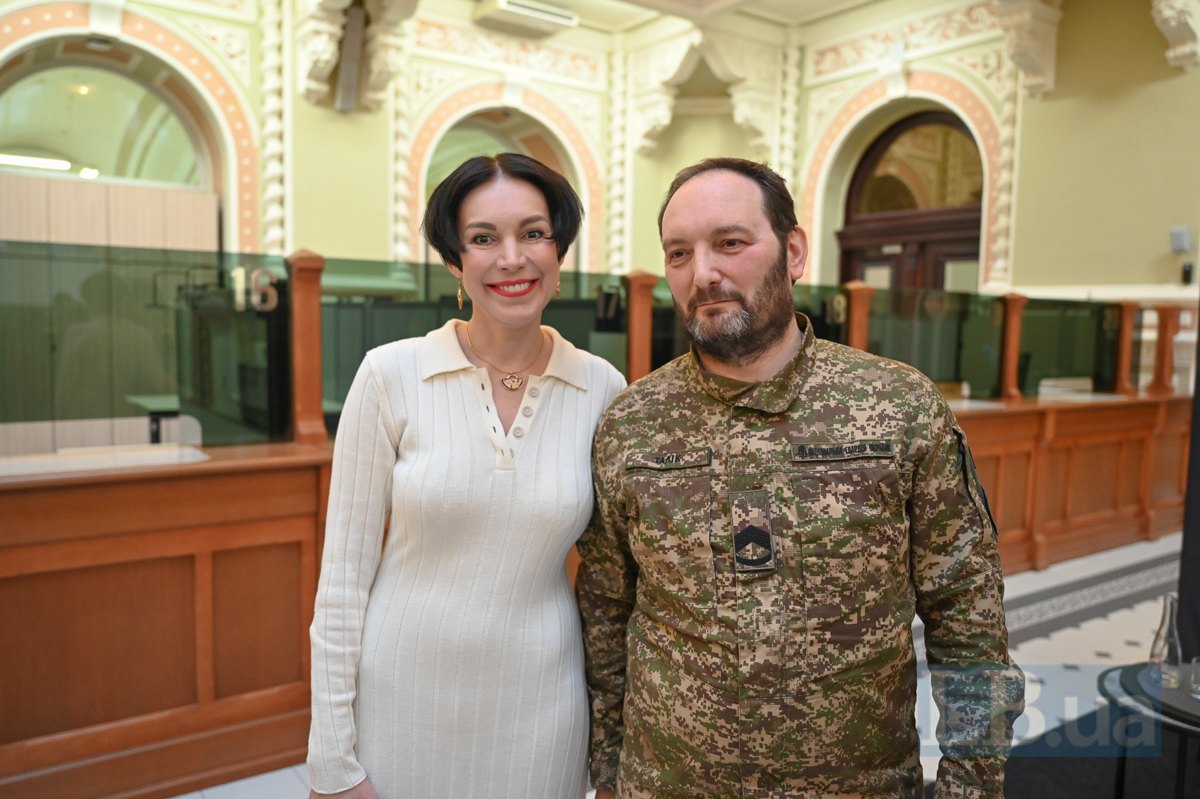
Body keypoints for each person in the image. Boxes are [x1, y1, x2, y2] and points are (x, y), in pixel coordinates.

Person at [576, 157, 1024, 799]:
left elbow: (967, 613)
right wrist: (608, 773)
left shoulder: (896, 407)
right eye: (679, 253)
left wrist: (971, 786)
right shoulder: (632, 424)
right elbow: (605, 614)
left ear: (793, 252)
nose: (703, 273)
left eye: (730, 243)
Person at [307, 152, 626, 799]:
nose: (512, 258)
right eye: (483, 238)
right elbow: (341, 583)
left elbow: (616, 582)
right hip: (403, 702)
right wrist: (331, 759)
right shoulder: (390, 375)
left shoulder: (602, 388)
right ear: (455, 260)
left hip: (544, 709)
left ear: (560, 249)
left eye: (533, 233)